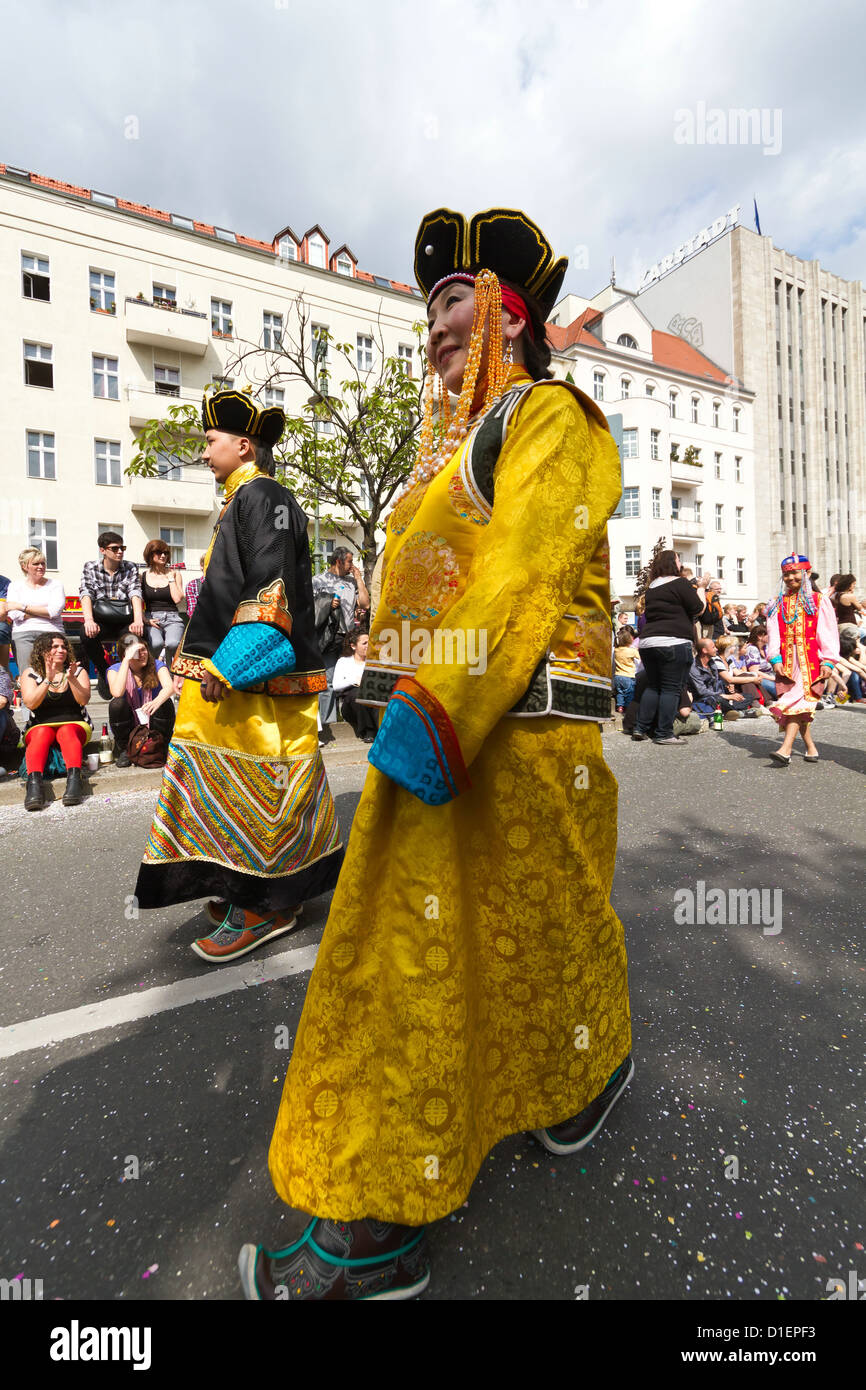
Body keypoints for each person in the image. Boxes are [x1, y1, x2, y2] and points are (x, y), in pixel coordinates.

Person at [241, 206, 633, 1302]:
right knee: (401, 965)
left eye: (452, 302)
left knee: (540, 937)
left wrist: (437, 706)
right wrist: (371, 673)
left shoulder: (552, 418)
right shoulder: (434, 467)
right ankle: (375, 1215)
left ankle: (580, 1076)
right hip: (441, 733)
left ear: (509, 312)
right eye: (426, 312)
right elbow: (420, 597)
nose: (434, 329)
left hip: (512, 738)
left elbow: (519, 573)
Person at [134, 389, 343, 962]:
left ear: (244, 445)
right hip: (233, 672)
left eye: (210, 441)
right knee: (241, 785)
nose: (204, 453)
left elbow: (270, 587)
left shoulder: (263, 494)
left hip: (248, 677)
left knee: (258, 787)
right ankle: (255, 891)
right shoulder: (245, 499)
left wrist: (233, 663)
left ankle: (263, 905)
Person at [765, 554, 839, 765]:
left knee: (797, 702)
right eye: (786, 574)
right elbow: (773, 633)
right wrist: (775, 657)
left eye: (795, 573)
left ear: (806, 573)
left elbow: (827, 632)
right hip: (787, 662)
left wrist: (828, 660)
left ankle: (785, 750)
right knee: (797, 705)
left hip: (811, 661)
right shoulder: (778, 602)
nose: (790, 578)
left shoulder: (819, 601)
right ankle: (811, 748)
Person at [631, 550, 705, 744]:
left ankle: (641, 727)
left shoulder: (652, 587)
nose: (680, 563)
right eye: (679, 559)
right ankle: (664, 733)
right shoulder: (680, 583)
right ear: (673, 563)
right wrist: (701, 589)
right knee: (671, 688)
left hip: (648, 642)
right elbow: (698, 608)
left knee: (654, 686)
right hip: (673, 642)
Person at [19, 632, 92, 809]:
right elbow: (30, 703)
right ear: (42, 651)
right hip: (40, 726)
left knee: (66, 730)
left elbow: (83, 700)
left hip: (75, 725)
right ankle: (34, 786)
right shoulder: (30, 673)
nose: (61, 650)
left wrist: (72, 678)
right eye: (55, 647)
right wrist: (48, 680)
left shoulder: (78, 671)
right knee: (42, 732)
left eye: (63, 646)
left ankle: (74, 782)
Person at [312, 548, 371, 735]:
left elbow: (365, 604)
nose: (351, 565)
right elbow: (310, 608)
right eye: (349, 562)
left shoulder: (351, 581)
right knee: (328, 681)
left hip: (348, 637)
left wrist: (359, 579)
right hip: (329, 637)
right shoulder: (318, 581)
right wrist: (327, 603)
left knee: (347, 680)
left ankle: (344, 719)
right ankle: (328, 726)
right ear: (338, 561)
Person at [79, 533, 145, 698]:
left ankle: (130, 675)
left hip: (124, 620)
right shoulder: (91, 567)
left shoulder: (130, 567)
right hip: (102, 620)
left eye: (122, 548)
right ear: (102, 550)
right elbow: (86, 593)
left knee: (134, 639)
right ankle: (104, 671)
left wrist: (138, 619)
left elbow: (135, 592)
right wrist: (89, 620)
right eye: (114, 548)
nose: (120, 552)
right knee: (85, 634)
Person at [106, 630, 176, 767]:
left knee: (165, 701)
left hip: (154, 721)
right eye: (136, 652)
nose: (142, 654)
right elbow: (117, 693)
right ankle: (125, 749)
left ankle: (162, 745)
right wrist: (126, 661)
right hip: (130, 724)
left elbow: (170, 687)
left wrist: (156, 701)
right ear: (125, 654)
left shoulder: (157, 665)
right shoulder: (115, 669)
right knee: (117, 704)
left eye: (143, 650)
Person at [3, 548, 66, 678]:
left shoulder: (55, 584)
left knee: (55, 673)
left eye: (43, 563)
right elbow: (13, 614)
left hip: (52, 631)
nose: (41, 567)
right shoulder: (15, 586)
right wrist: (43, 611)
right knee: (28, 675)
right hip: (23, 633)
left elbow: (54, 611)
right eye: (36, 564)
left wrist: (22, 606)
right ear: (24, 566)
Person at [140, 540, 186, 667]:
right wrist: (144, 619)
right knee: (156, 644)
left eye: (166, 553)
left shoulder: (175, 574)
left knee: (173, 643)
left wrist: (170, 578)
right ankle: (152, 670)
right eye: (159, 552)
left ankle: (169, 672)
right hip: (152, 618)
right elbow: (136, 602)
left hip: (172, 617)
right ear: (150, 554)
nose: (163, 555)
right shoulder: (142, 577)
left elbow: (177, 599)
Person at [688, 638, 756, 719]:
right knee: (717, 699)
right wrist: (725, 696)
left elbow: (717, 682)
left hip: (720, 696)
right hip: (706, 699)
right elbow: (702, 692)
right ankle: (738, 713)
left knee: (747, 696)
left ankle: (727, 712)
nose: (716, 649)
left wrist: (727, 686)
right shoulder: (694, 667)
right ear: (704, 650)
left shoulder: (711, 663)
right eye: (713, 647)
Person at [332, 632, 377, 741]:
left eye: (369, 642)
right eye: (364, 643)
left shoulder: (374, 662)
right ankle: (368, 731)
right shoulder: (343, 662)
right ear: (353, 646)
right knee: (357, 693)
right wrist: (354, 681)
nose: (368, 645)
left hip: (372, 701)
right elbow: (336, 686)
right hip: (351, 706)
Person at [613, 627, 639, 711]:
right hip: (628, 676)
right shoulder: (632, 651)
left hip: (617, 676)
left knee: (620, 693)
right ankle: (628, 707)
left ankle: (620, 706)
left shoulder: (616, 650)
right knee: (629, 693)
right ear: (629, 640)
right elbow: (639, 658)